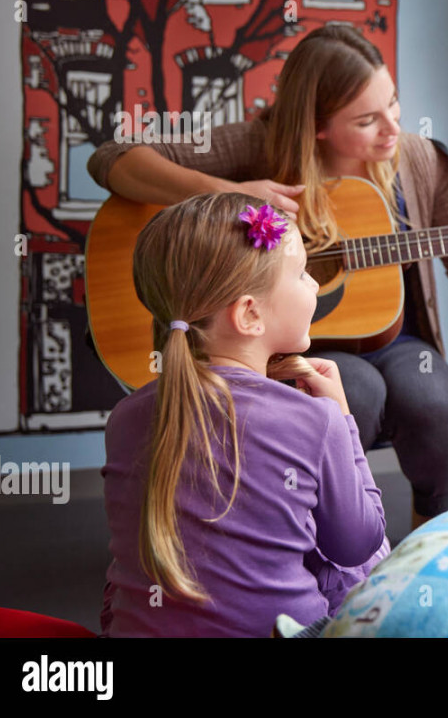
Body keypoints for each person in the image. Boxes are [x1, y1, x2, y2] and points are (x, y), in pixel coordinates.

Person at [88, 24, 448, 528]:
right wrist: (229, 191)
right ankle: (320, 536)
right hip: (296, 343)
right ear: (317, 125)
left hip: (396, 339)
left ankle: (428, 537)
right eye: (366, 120)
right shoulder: (260, 146)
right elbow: (110, 160)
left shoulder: (420, 162)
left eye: (394, 104)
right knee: (354, 389)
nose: (393, 128)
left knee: (433, 400)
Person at [101, 192, 387, 637]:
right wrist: (342, 419)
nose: (314, 285)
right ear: (250, 314)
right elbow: (357, 543)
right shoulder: (315, 419)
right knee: (372, 559)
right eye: (302, 273)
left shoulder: (124, 417)